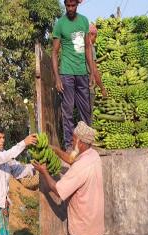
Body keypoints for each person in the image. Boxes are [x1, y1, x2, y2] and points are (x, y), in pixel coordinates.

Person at [33, 121, 105, 235]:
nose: (71, 141)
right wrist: (55, 149)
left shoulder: (80, 167)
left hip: (82, 232)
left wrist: (44, 171)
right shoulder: (93, 155)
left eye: (74, 139)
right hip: (95, 226)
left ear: (81, 143)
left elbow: (58, 190)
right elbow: (71, 160)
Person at [52, 0, 95, 152]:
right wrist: (57, 77)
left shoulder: (84, 21)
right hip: (66, 73)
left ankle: (87, 144)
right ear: (65, 4)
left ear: (77, 4)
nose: (70, 9)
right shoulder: (60, 24)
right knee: (68, 110)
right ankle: (69, 145)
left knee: (85, 110)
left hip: (82, 72)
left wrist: (91, 72)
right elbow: (55, 53)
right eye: (68, 6)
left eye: (73, 5)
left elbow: (88, 48)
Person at [88, 23, 107, 100]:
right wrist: (102, 88)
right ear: (91, 34)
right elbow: (94, 70)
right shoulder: (89, 47)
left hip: (75, 85)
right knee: (87, 111)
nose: (95, 40)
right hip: (87, 85)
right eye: (95, 37)